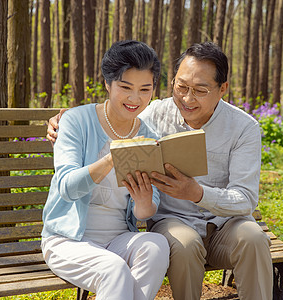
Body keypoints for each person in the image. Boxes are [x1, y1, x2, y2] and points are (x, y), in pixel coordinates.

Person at [47, 41, 273, 300]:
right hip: (173, 223)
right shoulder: (152, 114)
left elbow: (245, 199)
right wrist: (62, 120)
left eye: (200, 90)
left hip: (225, 225)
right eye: (181, 86)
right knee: (182, 244)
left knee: (253, 238)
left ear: (222, 89)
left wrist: (198, 193)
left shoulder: (244, 128)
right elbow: (121, 105)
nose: (188, 99)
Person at [41, 40, 170, 300]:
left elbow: (145, 212)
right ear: (107, 84)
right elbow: (66, 187)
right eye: (125, 87)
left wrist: (144, 202)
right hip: (68, 241)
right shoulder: (76, 121)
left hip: (118, 239)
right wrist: (112, 158)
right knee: (113, 270)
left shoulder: (148, 136)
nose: (135, 99)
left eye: (145, 89)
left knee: (156, 245)